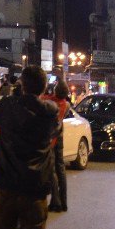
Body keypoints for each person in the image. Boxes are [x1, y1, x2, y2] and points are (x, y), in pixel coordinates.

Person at [0, 65, 58, 229]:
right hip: (35, 191)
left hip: (7, 188)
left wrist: (13, 98)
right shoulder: (50, 112)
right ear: (44, 88)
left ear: (22, 85)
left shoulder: (8, 106)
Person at [45, 80, 70, 213]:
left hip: (51, 139)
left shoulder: (50, 101)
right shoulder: (66, 105)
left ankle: (56, 202)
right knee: (61, 169)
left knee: (52, 170)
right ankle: (64, 202)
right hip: (59, 136)